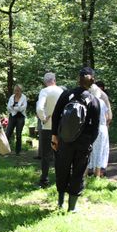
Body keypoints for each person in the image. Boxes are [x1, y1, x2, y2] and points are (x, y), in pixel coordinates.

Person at [51, 67, 100, 212]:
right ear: (92, 81)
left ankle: (60, 203)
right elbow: (96, 127)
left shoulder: (66, 94)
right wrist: (90, 142)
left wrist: (55, 136)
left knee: (62, 169)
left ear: (78, 79)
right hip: (83, 143)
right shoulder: (93, 100)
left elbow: (55, 116)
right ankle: (72, 207)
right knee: (78, 173)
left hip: (64, 140)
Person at [36, 72, 64, 188]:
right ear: (54, 80)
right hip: (61, 127)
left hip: (48, 127)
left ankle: (44, 179)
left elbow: (39, 107)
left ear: (45, 81)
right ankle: (60, 178)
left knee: (46, 155)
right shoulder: (62, 91)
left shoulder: (44, 91)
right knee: (60, 154)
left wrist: (43, 118)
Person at [87, 84, 110, 177]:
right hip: (102, 128)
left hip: (91, 128)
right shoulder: (102, 102)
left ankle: (85, 173)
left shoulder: (88, 102)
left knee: (89, 151)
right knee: (101, 150)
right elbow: (107, 117)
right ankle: (97, 174)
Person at [6, 84, 27, 155]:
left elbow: (23, 108)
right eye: (15, 90)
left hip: (21, 117)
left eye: (18, 90)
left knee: (18, 134)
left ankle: (18, 151)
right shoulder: (12, 97)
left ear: (21, 90)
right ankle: (4, 150)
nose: (16, 92)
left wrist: (14, 107)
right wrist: (17, 107)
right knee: (8, 133)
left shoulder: (24, 97)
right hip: (12, 116)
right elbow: (8, 107)